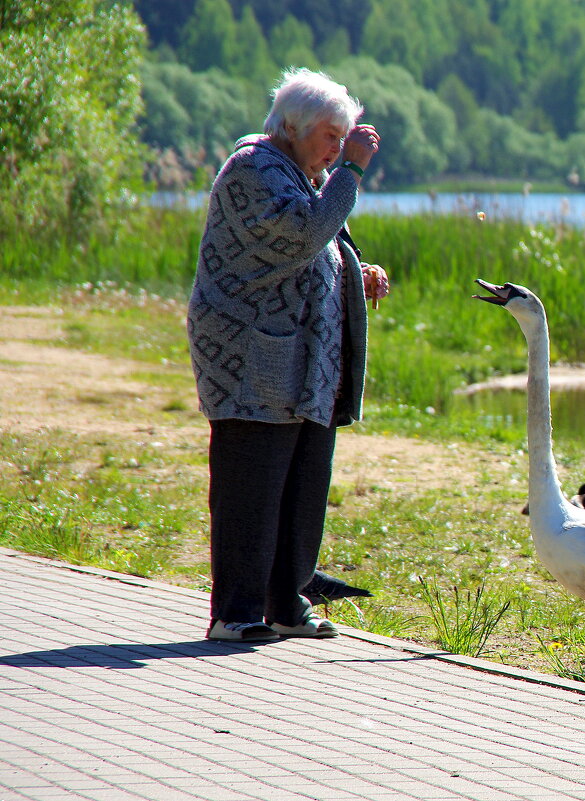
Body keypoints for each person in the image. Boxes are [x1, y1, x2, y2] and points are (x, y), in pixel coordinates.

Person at [187, 68, 389, 642]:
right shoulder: (252, 169)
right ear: (292, 127)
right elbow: (301, 235)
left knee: (301, 486)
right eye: (329, 135)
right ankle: (236, 613)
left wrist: (356, 271)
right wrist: (350, 169)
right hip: (253, 361)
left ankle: (284, 604)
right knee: (252, 486)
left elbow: (314, 246)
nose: (337, 146)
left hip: (303, 368)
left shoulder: (298, 174)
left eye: (342, 136)